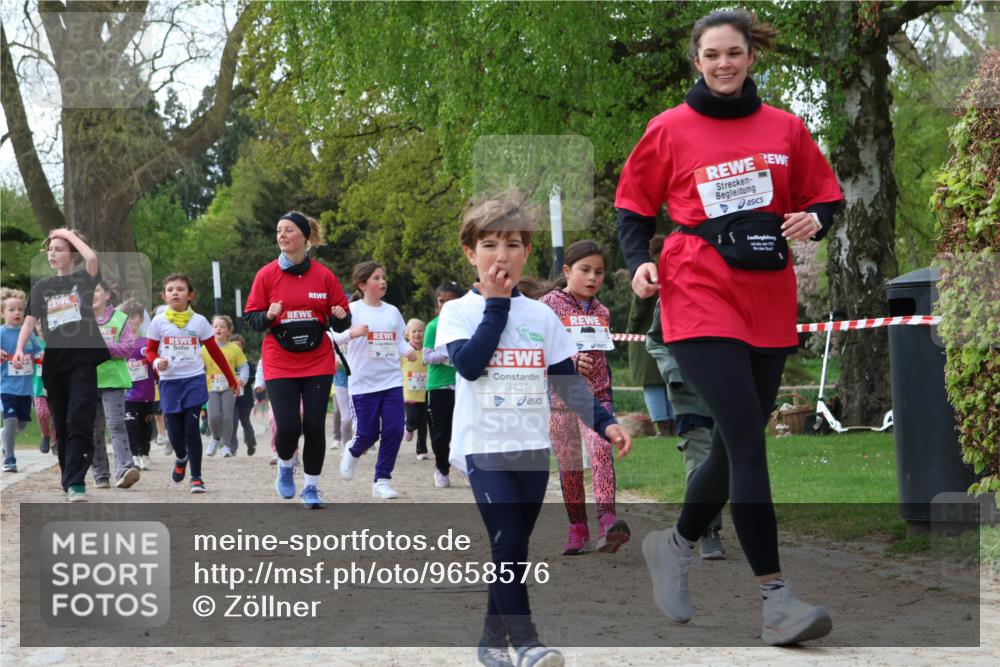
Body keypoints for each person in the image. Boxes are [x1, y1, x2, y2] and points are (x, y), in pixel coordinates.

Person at [615, 9, 843, 645]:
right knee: (746, 436)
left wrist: (816, 220)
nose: (723, 64)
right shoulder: (669, 129)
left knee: (734, 440)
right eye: (712, 54)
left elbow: (825, 196)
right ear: (697, 60)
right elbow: (632, 211)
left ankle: (677, 543)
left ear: (750, 58)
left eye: (734, 53)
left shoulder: (786, 128)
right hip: (696, 293)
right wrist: (639, 266)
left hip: (768, 296)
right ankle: (777, 599)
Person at [436, 189, 632, 667]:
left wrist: (605, 424)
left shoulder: (542, 316)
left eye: (513, 245)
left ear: (527, 253)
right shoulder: (458, 311)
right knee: (506, 541)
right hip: (483, 447)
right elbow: (469, 365)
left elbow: (568, 382)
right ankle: (526, 644)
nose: (501, 256)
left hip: (531, 449)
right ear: (470, 252)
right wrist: (497, 305)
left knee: (514, 547)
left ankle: (489, 641)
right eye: (489, 245)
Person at [243, 211, 350, 508]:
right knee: (289, 427)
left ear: (304, 236)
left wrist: (341, 316)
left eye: (288, 230)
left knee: (315, 425)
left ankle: (312, 488)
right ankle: (286, 465)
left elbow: (340, 320)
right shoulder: (266, 275)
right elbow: (251, 319)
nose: (282, 235)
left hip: (317, 359)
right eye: (279, 230)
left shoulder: (324, 275)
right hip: (280, 360)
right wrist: (268, 315)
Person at [536, 239, 631, 556]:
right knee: (570, 465)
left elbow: (603, 355)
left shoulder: (603, 310)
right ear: (567, 271)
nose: (593, 278)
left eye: (600, 272)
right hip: (560, 399)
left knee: (602, 449)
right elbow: (540, 351)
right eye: (585, 270)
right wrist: (572, 361)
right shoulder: (548, 305)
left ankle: (608, 522)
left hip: (599, 398)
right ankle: (577, 529)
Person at [12, 229, 109, 502]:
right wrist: (20, 348)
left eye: (59, 249)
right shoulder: (42, 287)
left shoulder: (83, 280)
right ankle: (69, 476)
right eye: (50, 249)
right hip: (55, 363)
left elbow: (91, 257)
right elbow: (30, 321)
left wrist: (68, 233)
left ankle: (77, 482)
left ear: (72, 255)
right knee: (62, 424)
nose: (53, 253)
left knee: (79, 417)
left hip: (83, 359)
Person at [645, 299, 724, 559]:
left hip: (726, 388)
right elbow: (655, 341)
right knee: (701, 458)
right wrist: (672, 371)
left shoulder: (732, 287)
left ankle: (691, 527)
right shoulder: (670, 295)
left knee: (730, 463)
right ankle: (708, 530)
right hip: (688, 393)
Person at [145, 274, 239, 494]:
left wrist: (232, 379)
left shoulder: (199, 322)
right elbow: (149, 350)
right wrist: (158, 361)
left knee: (191, 429)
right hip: (169, 382)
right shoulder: (159, 322)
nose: (175, 292)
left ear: (190, 295)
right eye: (170, 289)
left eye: (180, 289)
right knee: (175, 433)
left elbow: (215, 352)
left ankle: (196, 477)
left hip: (194, 380)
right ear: (164, 296)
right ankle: (181, 457)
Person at [337, 261, 416, 500]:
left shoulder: (392, 311)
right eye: (376, 278)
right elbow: (332, 338)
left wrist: (408, 350)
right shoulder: (351, 311)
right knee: (368, 433)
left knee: (394, 430)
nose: (382, 281)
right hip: (362, 384)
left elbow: (398, 340)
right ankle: (352, 450)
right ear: (362, 284)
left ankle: (382, 480)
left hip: (391, 381)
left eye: (383, 277)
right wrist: (352, 333)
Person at [91, 279, 142, 489]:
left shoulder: (120, 319)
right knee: (94, 430)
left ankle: (125, 469)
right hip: (86, 382)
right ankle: (101, 474)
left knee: (116, 425)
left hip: (114, 380)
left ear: (107, 295)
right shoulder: (79, 321)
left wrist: (102, 347)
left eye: (95, 290)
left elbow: (128, 347)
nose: (91, 294)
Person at [422, 281, 463, 488]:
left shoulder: (465, 326)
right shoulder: (433, 326)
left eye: (450, 301)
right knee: (440, 433)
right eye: (441, 301)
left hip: (462, 385)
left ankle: (465, 467)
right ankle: (441, 467)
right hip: (438, 386)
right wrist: (450, 356)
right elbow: (427, 356)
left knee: (462, 430)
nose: (445, 305)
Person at [1, 288, 40, 473]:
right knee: (10, 420)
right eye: (11, 310)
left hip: (25, 389)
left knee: (22, 425)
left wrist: (40, 356)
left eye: (20, 309)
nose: (17, 313)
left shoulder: (28, 334)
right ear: (2, 313)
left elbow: (38, 350)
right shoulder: (1, 333)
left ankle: (5, 436)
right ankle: (9, 458)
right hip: (6, 387)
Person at [201, 315, 249, 458]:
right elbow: (200, 367)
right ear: (211, 329)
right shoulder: (205, 348)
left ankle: (226, 445)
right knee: (214, 416)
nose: (218, 329)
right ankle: (215, 439)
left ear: (228, 331)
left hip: (230, 386)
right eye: (215, 326)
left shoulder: (234, 349)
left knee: (228, 417)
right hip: (211, 387)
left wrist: (243, 378)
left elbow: (243, 366)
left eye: (222, 327)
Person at [120, 299, 156, 471]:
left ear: (141, 319)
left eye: (133, 317)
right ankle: (134, 455)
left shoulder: (148, 343)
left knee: (145, 426)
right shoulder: (119, 344)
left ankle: (145, 453)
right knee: (130, 423)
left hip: (147, 393)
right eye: (126, 318)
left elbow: (156, 364)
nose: (130, 321)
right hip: (128, 393)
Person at [401, 318, 429, 460]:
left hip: (425, 392)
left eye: (420, 331)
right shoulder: (404, 351)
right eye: (414, 331)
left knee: (424, 422)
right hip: (409, 393)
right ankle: (409, 427)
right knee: (413, 418)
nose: (417, 334)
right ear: (407, 334)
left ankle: (422, 450)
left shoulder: (428, 350)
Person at [228, 334, 257, 456]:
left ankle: (251, 443)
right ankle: (232, 448)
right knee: (233, 422)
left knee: (245, 422)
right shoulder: (227, 362)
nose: (236, 349)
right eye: (233, 346)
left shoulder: (247, 363)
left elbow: (252, 377)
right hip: (231, 398)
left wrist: (242, 380)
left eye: (238, 346)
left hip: (245, 399)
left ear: (242, 347)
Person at [31, 321, 56, 455]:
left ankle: (55, 441)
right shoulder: (32, 342)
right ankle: (45, 435)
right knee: (42, 413)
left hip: (54, 384)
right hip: (38, 385)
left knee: (55, 415)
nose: (41, 325)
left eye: (43, 321)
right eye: (38, 322)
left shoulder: (55, 340)